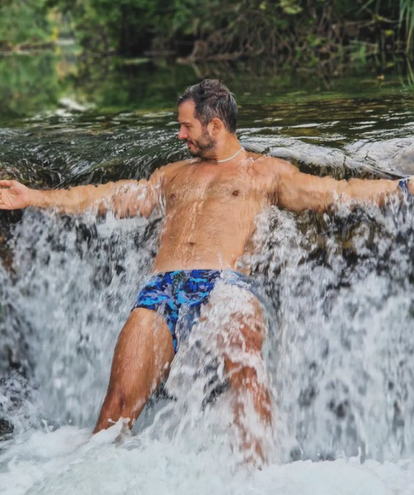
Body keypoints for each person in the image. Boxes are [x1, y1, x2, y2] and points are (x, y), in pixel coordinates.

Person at [0, 79, 412, 463]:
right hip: (161, 290)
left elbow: (336, 193)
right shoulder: (172, 176)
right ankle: (92, 475)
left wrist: (401, 189)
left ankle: (260, 477)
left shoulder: (264, 172)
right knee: (117, 406)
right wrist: (35, 196)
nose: (180, 135)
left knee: (246, 368)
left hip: (224, 284)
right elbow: (109, 197)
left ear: (214, 125)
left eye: (185, 126)